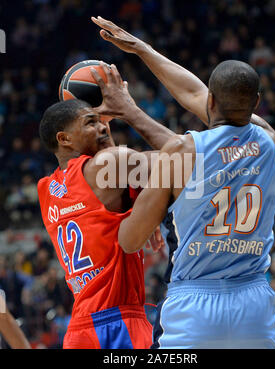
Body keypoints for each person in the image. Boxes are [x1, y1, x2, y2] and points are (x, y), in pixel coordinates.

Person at [92, 16, 275, 349]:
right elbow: (194, 93)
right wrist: (142, 51)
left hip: (194, 307)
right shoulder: (269, 140)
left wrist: (145, 206)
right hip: (254, 304)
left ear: (211, 101)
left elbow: (129, 240)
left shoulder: (182, 151)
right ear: (256, 103)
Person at [37, 63, 173, 349]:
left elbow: (96, 208)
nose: (101, 126)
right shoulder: (108, 166)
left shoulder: (46, 190)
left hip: (79, 331)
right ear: (64, 139)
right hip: (118, 324)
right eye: (91, 122)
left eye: (102, 122)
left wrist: (140, 204)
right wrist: (128, 110)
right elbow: (183, 161)